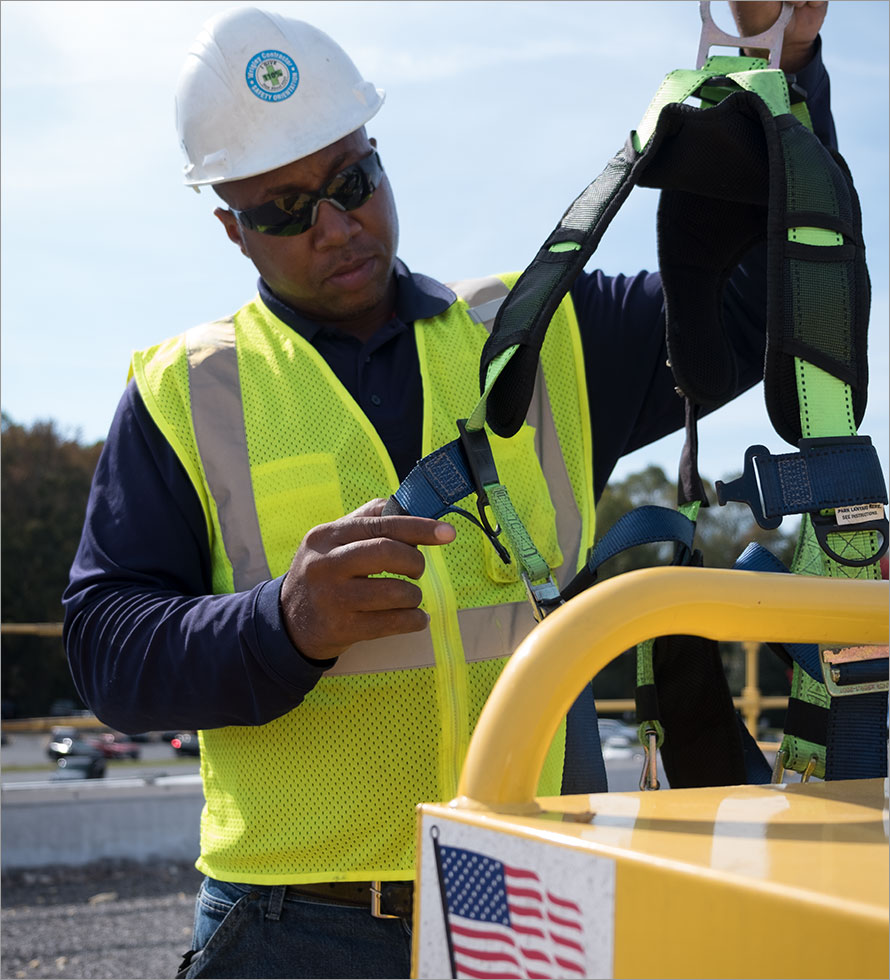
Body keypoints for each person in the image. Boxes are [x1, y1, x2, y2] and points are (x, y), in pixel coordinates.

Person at [63, 2, 833, 977]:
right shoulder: (184, 393)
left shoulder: (538, 330)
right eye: (285, 209)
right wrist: (280, 623)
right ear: (229, 226)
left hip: (527, 899)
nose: (336, 225)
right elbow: (104, 646)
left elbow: (759, 304)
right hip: (296, 922)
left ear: (379, 155)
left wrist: (783, 61)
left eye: (352, 179)